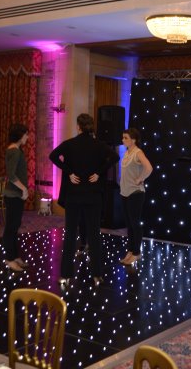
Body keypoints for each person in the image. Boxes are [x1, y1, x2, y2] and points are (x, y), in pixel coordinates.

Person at [49, 113, 119, 287]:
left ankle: (65, 274)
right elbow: (115, 157)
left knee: (71, 234)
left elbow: (53, 156)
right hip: (93, 195)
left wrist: (69, 172)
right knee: (94, 235)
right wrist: (99, 172)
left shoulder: (70, 144)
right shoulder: (99, 145)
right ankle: (97, 275)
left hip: (74, 195)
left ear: (78, 127)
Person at [119, 128, 152, 265]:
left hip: (135, 193)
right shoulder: (127, 153)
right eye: (123, 137)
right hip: (125, 192)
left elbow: (149, 168)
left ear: (133, 140)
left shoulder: (138, 152)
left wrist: (140, 178)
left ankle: (136, 252)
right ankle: (131, 250)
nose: (123, 140)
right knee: (129, 224)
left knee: (135, 224)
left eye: (125, 138)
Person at [2, 123, 30, 272]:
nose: (27, 137)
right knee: (11, 227)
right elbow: (11, 175)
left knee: (15, 226)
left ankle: (15, 255)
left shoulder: (17, 150)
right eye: (25, 134)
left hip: (15, 195)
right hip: (13, 195)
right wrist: (24, 188)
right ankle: (9, 259)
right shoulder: (14, 151)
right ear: (19, 135)